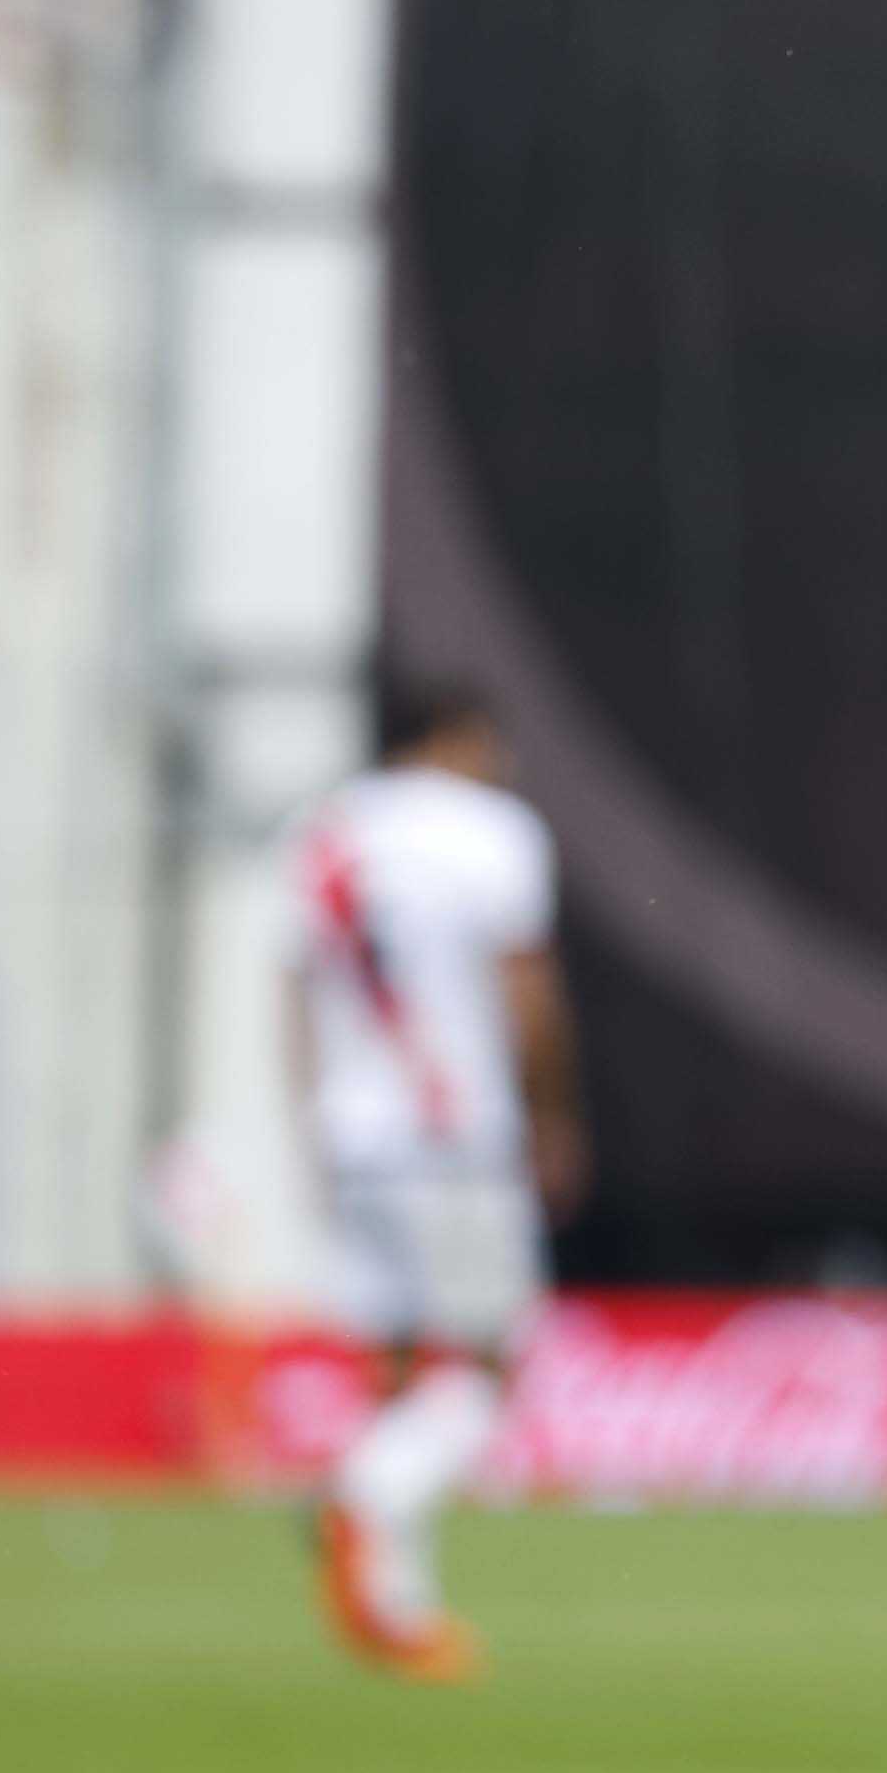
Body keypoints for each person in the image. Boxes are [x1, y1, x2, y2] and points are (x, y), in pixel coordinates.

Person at [287, 671, 582, 1685]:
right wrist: (551, 1114)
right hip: (452, 1137)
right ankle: (362, 1496)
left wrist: (312, 1125)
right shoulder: (489, 832)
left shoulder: (325, 832)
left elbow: (296, 993)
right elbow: (525, 989)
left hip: (353, 1136)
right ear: (459, 736)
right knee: (488, 1367)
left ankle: (393, 1606)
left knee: (397, 1366)